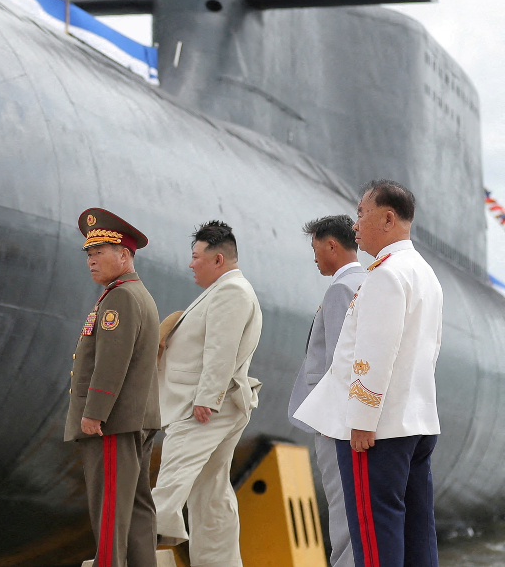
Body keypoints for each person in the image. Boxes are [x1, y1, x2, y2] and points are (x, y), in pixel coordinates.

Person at [294, 180, 443, 567]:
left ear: (388, 219)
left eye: (362, 214)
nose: (355, 224)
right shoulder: (424, 273)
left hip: (378, 430)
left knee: (375, 533)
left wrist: (361, 420)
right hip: (416, 421)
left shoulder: (387, 275)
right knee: (418, 531)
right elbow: (429, 351)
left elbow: (374, 352)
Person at [152, 220, 262, 567]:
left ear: (218, 259)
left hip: (203, 408)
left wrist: (207, 399)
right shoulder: (225, 289)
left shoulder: (231, 292)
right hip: (217, 403)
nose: (190, 264)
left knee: (171, 482)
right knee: (211, 495)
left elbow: (221, 348)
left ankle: (128, 553)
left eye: (196, 257)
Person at [65, 208, 162, 567]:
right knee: (135, 509)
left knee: (110, 511)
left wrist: (94, 413)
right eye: (88, 254)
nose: (91, 260)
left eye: (99, 252)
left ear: (124, 255)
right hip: (135, 418)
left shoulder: (120, 298)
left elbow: (112, 361)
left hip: (113, 423)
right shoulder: (136, 293)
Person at [288, 215, 367, 567]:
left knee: (344, 513)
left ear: (331, 245)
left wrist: (330, 422)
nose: (314, 257)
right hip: (356, 422)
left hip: (337, 426)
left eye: (316, 248)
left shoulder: (340, 289)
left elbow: (341, 365)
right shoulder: (367, 281)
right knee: (358, 512)